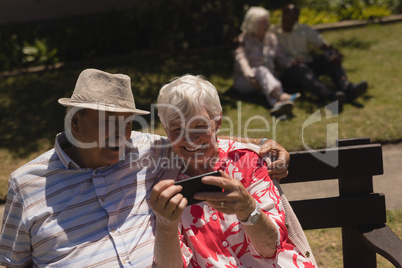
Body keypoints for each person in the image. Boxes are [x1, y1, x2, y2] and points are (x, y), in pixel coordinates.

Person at [0, 68, 291, 267]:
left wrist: (261, 143)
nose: (121, 134)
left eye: (127, 123)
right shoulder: (27, 184)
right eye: (107, 122)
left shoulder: (142, 149)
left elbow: (199, 139)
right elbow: (12, 262)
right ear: (75, 122)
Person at [151, 74, 317, 267]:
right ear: (165, 129)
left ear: (217, 122)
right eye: (177, 129)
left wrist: (247, 208)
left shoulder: (247, 161)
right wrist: (166, 225)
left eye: (199, 126)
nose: (190, 139)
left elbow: (271, 248)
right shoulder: (164, 182)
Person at [272, 4, 368, 104]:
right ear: (282, 17)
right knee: (299, 68)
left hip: (307, 64)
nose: (288, 24)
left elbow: (323, 45)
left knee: (330, 55)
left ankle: (348, 88)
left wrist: (336, 53)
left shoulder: (304, 30)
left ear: (297, 19)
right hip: (289, 70)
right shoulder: (273, 33)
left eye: (292, 21)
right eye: (286, 20)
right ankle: (329, 95)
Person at [233, 6, 301, 117]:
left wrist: (292, 62)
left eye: (267, 22)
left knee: (266, 75)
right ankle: (282, 96)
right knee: (262, 71)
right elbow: (241, 60)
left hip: (266, 80)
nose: (268, 25)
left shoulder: (271, 38)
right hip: (246, 81)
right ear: (254, 24)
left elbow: (280, 55)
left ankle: (278, 105)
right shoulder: (242, 40)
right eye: (264, 23)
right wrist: (250, 75)